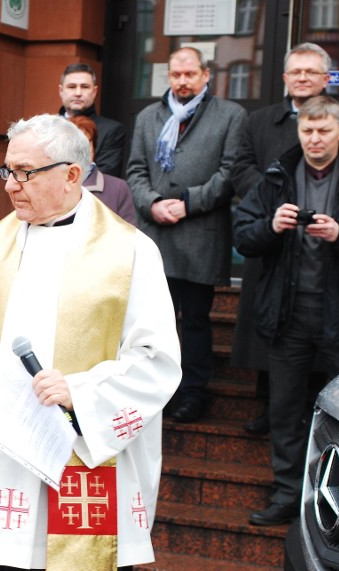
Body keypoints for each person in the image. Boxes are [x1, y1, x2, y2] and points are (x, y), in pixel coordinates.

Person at [0, 113, 181, 569]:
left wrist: (82, 390)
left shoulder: (130, 251)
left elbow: (157, 360)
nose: (11, 185)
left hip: (78, 452)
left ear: (72, 175)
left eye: (25, 173)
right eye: (7, 171)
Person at [234, 96, 339, 527]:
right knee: (284, 411)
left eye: (322, 131)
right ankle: (288, 496)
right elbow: (244, 235)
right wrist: (271, 227)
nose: (313, 139)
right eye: (307, 131)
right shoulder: (278, 175)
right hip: (288, 317)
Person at [230, 42, 339, 435]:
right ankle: (286, 491)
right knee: (282, 393)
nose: (315, 138)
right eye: (295, 72)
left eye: (310, 72)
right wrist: (270, 205)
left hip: (337, 300)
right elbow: (240, 166)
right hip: (281, 274)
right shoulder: (262, 123)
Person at [127, 46, 246, 423]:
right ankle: (156, 392)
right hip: (156, 235)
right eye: (176, 75)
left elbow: (230, 173)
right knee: (154, 320)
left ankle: (193, 392)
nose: (182, 81)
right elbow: (135, 171)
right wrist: (152, 203)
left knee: (194, 319)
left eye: (189, 74)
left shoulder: (230, 115)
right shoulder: (149, 116)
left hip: (200, 233)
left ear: (206, 75)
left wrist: (188, 202)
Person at [58, 63, 126, 177]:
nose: (78, 93)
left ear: (94, 91)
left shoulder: (112, 130)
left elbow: (105, 177)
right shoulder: (45, 127)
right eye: (72, 87)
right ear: (61, 90)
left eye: (84, 87)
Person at [68, 114, 136, 224]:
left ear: (94, 148)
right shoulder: (50, 184)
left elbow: (129, 235)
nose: (82, 151)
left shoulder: (118, 188)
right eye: (75, 144)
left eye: (87, 143)